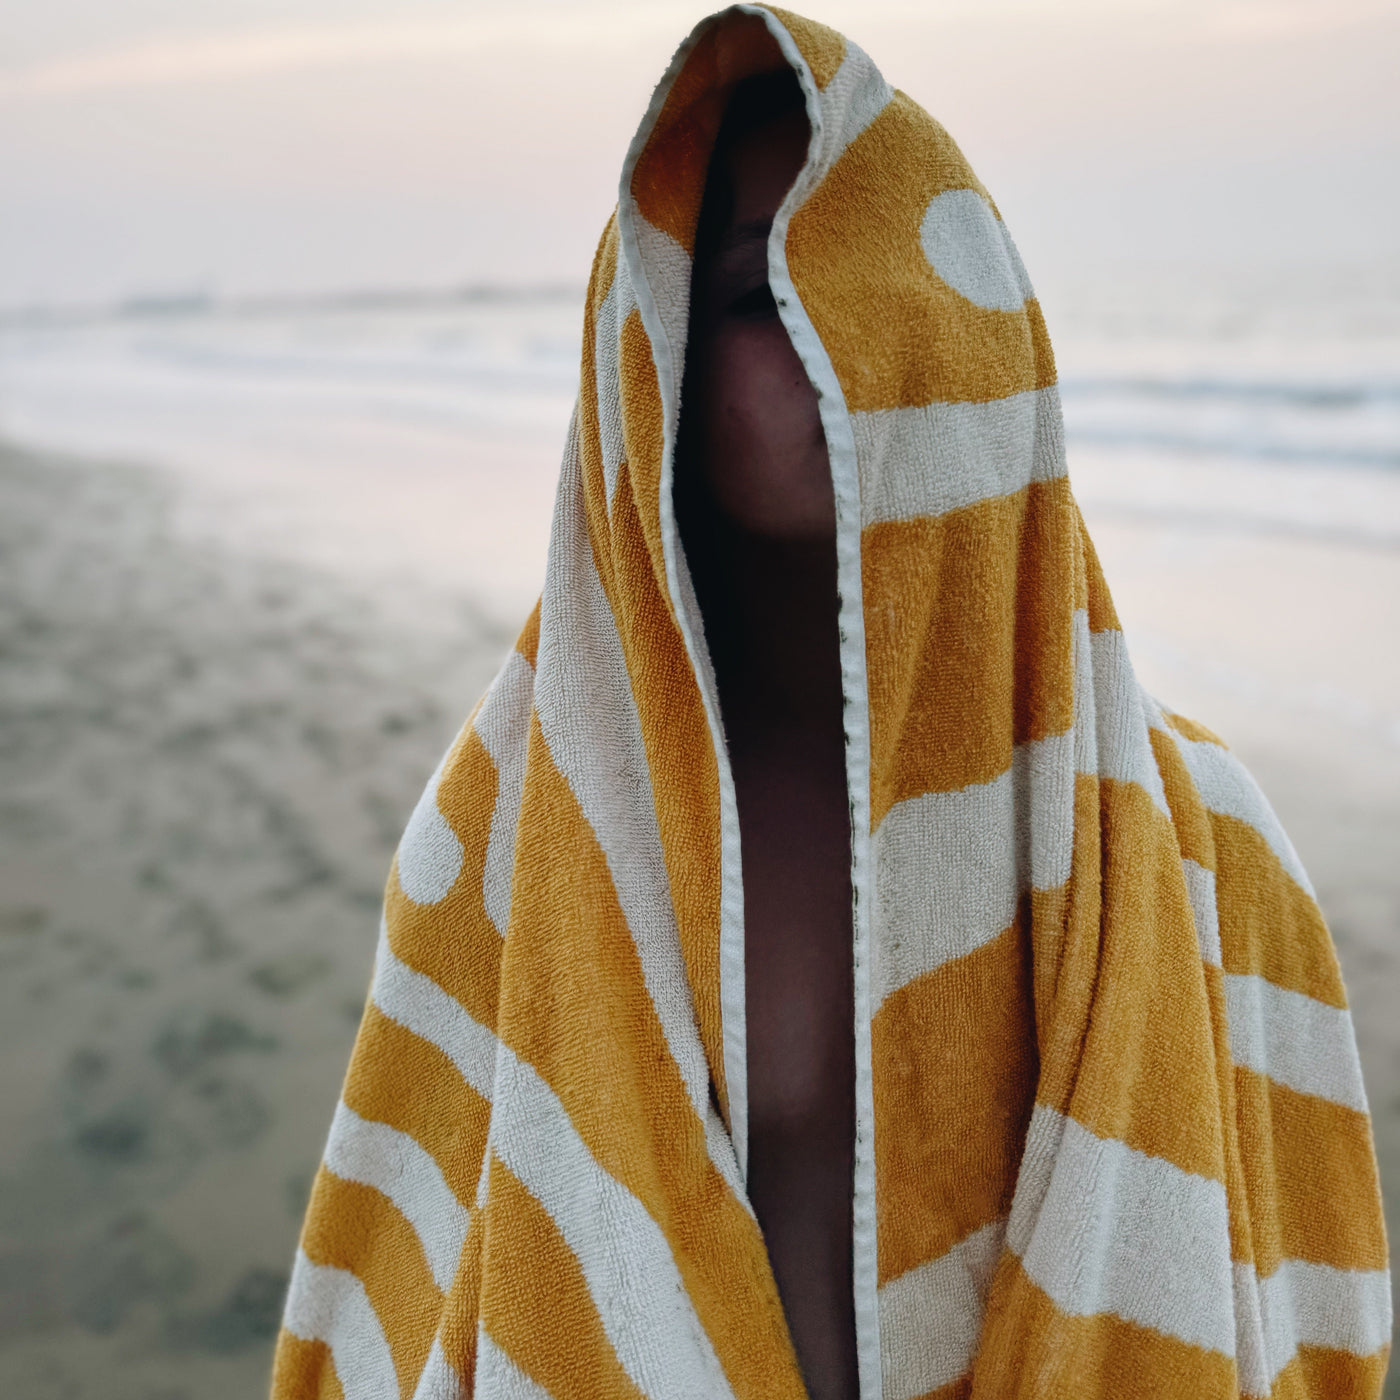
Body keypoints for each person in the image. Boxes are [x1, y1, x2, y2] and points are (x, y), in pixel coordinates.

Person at [270, 7, 1390, 1400]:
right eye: (760, 295)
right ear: (656, 357)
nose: (838, 333)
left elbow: (1297, 1292)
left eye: (874, 280)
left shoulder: (1196, 835)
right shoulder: (514, 823)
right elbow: (404, 1276)